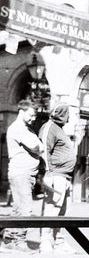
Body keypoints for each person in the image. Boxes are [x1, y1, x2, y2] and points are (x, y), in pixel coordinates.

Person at [2, 99, 43, 253]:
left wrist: (38, 148)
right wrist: (38, 148)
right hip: (21, 173)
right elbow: (36, 147)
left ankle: (8, 240)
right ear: (21, 111)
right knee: (26, 209)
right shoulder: (18, 128)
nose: (34, 119)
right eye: (31, 115)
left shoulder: (28, 129)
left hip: (26, 174)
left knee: (18, 207)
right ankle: (19, 242)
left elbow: (40, 147)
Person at [38, 102, 77, 254]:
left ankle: (59, 241)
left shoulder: (59, 129)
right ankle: (45, 243)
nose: (69, 119)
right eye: (68, 115)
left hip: (65, 177)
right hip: (56, 176)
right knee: (51, 210)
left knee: (63, 212)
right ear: (62, 114)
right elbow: (44, 151)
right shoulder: (49, 127)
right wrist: (49, 174)